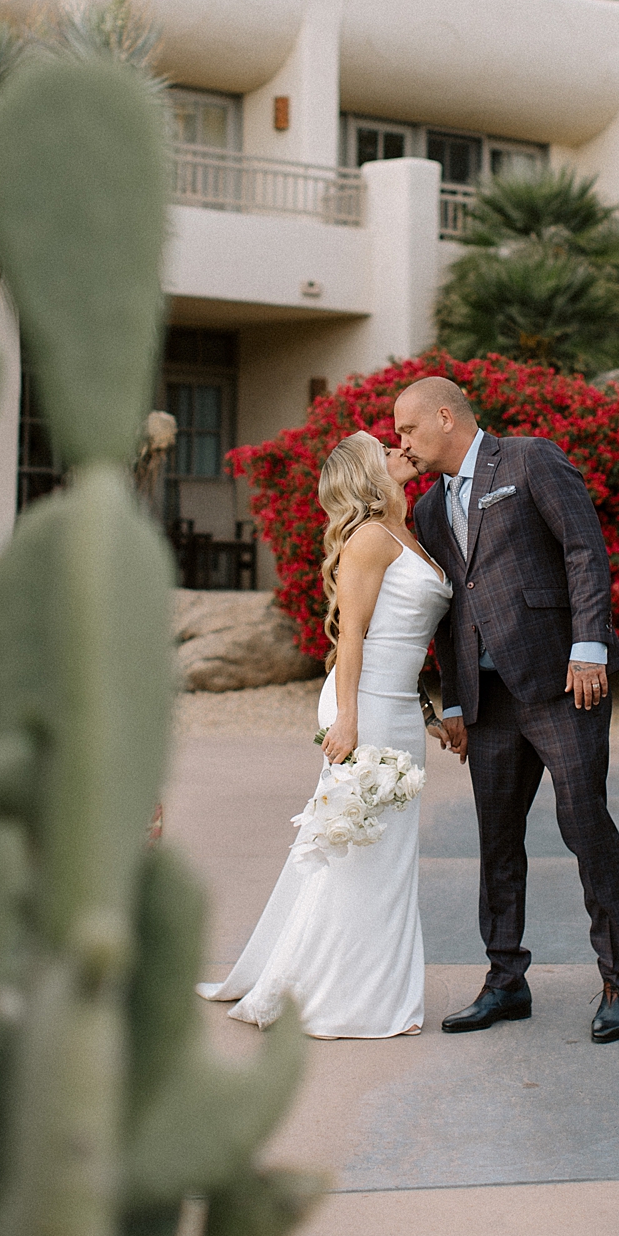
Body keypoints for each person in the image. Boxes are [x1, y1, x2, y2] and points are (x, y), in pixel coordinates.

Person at [392, 376, 619, 1044]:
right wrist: (452, 702)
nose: (401, 443)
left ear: (446, 416)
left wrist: (588, 647)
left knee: (585, 825)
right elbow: (448, 607)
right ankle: (506, 980)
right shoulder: (429, 509)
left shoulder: (529, 458)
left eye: (408, 429)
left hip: (563, 681)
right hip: (489, 701)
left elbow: (584, 549)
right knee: (497, 840)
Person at [199, 431, 452, 1039]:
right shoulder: (369, 538)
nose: (400, 448)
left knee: (383, 854)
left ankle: (367, 984)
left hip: (392, 708)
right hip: (359, 708)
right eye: (385, 446)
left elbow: (406, 642)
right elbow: (355, 635)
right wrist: (346, 718)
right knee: (355, 852)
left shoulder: (408, 532)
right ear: (368, 472)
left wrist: (428, 715)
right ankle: (339, 994)